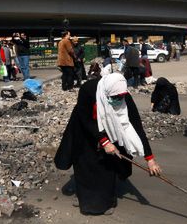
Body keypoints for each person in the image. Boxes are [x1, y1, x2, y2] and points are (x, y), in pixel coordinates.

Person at [54, 73, 162, 215]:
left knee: (107, 165)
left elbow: (137, 127)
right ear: (106, 92)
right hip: (84, 128)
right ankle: (83, 198)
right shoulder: (88, 89)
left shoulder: (124, 98)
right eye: (115, 97)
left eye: (120, 97)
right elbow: (85, 117)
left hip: (109, 127)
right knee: (84, 164)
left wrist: (150, 159)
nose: (118, 100)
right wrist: (103, 141)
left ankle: (106, 201)